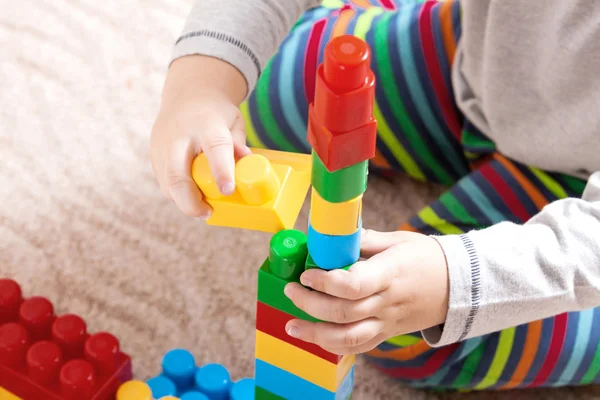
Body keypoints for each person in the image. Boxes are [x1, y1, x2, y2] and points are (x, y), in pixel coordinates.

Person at [150, 0, 600, 390]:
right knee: (266, 91)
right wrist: (199, 87)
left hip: (582, 206)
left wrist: (452, 279)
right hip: (482, 67)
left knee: (375, 324)